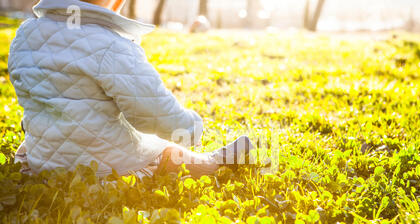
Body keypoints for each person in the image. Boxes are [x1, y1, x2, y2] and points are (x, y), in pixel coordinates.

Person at [9, 0, 253, 179]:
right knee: (166, 152)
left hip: (42, 163)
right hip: (105, 170)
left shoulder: (25, 35)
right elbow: (152, 111)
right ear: (116, 3)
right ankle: (212, 162)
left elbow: (26, 89)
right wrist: (190, 128)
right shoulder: (111, 45)